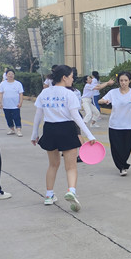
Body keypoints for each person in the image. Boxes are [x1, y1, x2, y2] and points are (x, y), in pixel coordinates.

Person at [31, 65, 97, 211]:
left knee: (53, 164)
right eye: (72, 77)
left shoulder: (44, 93)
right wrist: (90, 135)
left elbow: (38, 115)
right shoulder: (69, 94)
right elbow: (76, 118)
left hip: (49, 129)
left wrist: (34, 134)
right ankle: (71, 191)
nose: (72, 80)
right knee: (71, 166)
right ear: (64, 77)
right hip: (67, 129)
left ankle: (49, 195)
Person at [99, 71, 131, 176]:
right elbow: (100, 100)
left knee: (127, 148)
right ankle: (122, 167)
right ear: (119, 81)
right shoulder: (113, 92)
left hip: (128, 124)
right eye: (121, 80)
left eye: (126, 80)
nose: (123, 82)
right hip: (115, 124)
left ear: (130, 81)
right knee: (116, 148)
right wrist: (104, 101)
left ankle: (123, 163)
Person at [0, 69, 24, 136]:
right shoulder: (3, 84)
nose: (10, 75)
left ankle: (18, 130)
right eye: (9, 74)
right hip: (6, 104)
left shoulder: (18, 84)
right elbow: (0, 93)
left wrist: (20, 102)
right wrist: (0, 102)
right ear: (6, 75)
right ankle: (12, 129)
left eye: (12, 74)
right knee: (8, 117)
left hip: (15, 104)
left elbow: (21, 94)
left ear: (14, 75)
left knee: (16, 117)